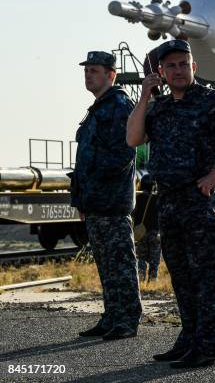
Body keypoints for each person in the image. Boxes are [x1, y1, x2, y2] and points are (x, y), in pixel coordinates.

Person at [126, 39, 215, 368]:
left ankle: (207, 346)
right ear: (162, 73)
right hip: (168, 202)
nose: (178, 70)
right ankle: (189, 337)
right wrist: (143, 97)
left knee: (205, 279)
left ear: (194, 67)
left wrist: (214, 176)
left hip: (198, 201)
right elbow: (133, 138)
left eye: (184, 64)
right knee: (181, 277)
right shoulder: (161, 107)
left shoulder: (212, 101)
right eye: (171, 66)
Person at [70, 51, 142, 340]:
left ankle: (127, 319)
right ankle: (112, 316)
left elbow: (123, 153)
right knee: (106, 263)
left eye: (95, 70)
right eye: (86, 70)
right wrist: (82, 198)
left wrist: (95, 186)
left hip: (112, 200)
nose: (88, 75)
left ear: (111, 75)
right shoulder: (99, 107)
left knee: (121, 262)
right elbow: (84, 160)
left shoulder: (120, 105)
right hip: (96, 201)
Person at [134, 173, 161, 282]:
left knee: (141, 257)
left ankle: (141, 277)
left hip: (141, 232)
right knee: (155, 260)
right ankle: (153, 279)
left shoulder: (137, 198)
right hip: (155, 232)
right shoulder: (158, 198)